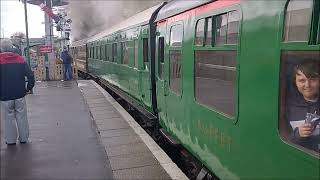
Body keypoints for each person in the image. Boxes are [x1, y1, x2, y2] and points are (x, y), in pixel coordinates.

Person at [0, 39, 35, 145]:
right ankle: (24, 138)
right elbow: (30, 75)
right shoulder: (20, 60)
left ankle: (10, 140)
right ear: (12, 48)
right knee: (22, 116)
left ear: (1, 49)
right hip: (19, 94)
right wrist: (29, 87)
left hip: (4, 95)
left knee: (8, 118)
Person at [286, 61, 320, 152]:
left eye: (312, 79)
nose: (307, 85)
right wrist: (298, 134)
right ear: (295, 82)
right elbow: (281, 141)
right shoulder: (287, 107)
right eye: (302, 80)